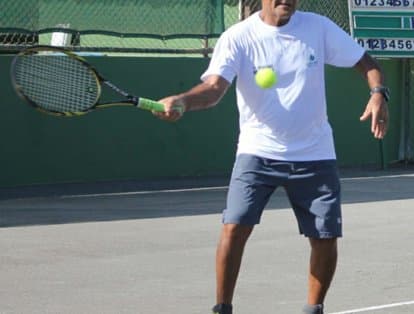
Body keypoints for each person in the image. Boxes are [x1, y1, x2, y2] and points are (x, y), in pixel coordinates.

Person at [153, 0, 389, 313]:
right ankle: (222, 308)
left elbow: (366, 62)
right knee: (234, 227)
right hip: (257, 151)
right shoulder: (238, 37)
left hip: (315, 153)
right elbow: (213, 88)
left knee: (325, 235)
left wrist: (378, 94)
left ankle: (313, 308)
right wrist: (183, 100)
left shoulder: (318, 28)